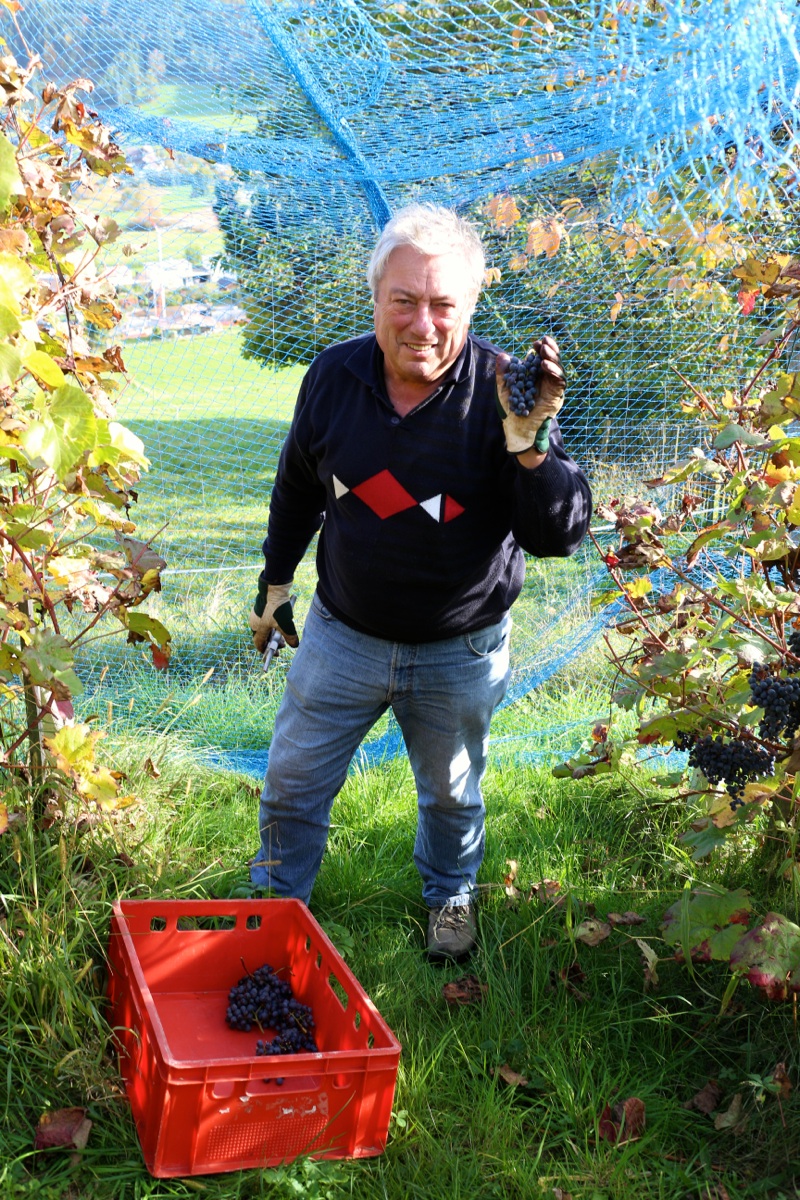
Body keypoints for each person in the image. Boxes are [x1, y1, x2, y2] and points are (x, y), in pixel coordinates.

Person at [248, 203, 591, 960]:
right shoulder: (333, 376)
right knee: (292, 783)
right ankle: (273, 909)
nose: (423, 324)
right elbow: (299, 484)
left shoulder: (507, 392)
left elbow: (557, 536)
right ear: (375, 296)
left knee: (451, 795)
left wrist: (529, 448)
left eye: (443, 304)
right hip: (342, 634)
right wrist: (275, 582)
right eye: (403, 300)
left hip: (459, 650)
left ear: (471, 305)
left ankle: (449, 899)